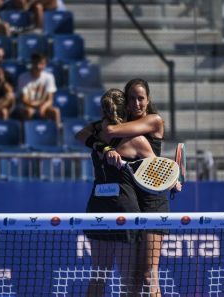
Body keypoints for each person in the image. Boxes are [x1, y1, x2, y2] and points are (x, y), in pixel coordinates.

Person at [102, 78, 181, 297]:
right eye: (132, 99)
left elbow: (108, 130)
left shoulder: (154, 120)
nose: (137, 103)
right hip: (132, 205)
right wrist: (108, 149)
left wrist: (108, 140)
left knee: (149, 274)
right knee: (132, 279)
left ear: (148, 100)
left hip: (154, 203)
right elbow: (97, 137)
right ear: (126, 102)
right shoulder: (123, 127)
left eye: (141, 98)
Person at [76, 88, 156, 297]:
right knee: (127, 279)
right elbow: (158, 173)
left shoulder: (94, 134)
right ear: (126, 109)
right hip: (122, 212)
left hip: (100, 209)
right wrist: (106, 149)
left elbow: (80, 134)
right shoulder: (137, 140)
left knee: (99, 275)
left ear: (102, 111)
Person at [16, 52, 60, 126]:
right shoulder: (23, 77)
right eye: (36, 63)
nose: (38, 66)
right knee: (28, 112)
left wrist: (43, 107)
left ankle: (57, 134)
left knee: (55, 111)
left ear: (45, 65)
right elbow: (24, 100)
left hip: (42, 106)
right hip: (28, 106)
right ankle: (25, 134)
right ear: (32, 63)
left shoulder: (49, 77)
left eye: (41, 63)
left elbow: (50, 100)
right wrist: (36, 106)